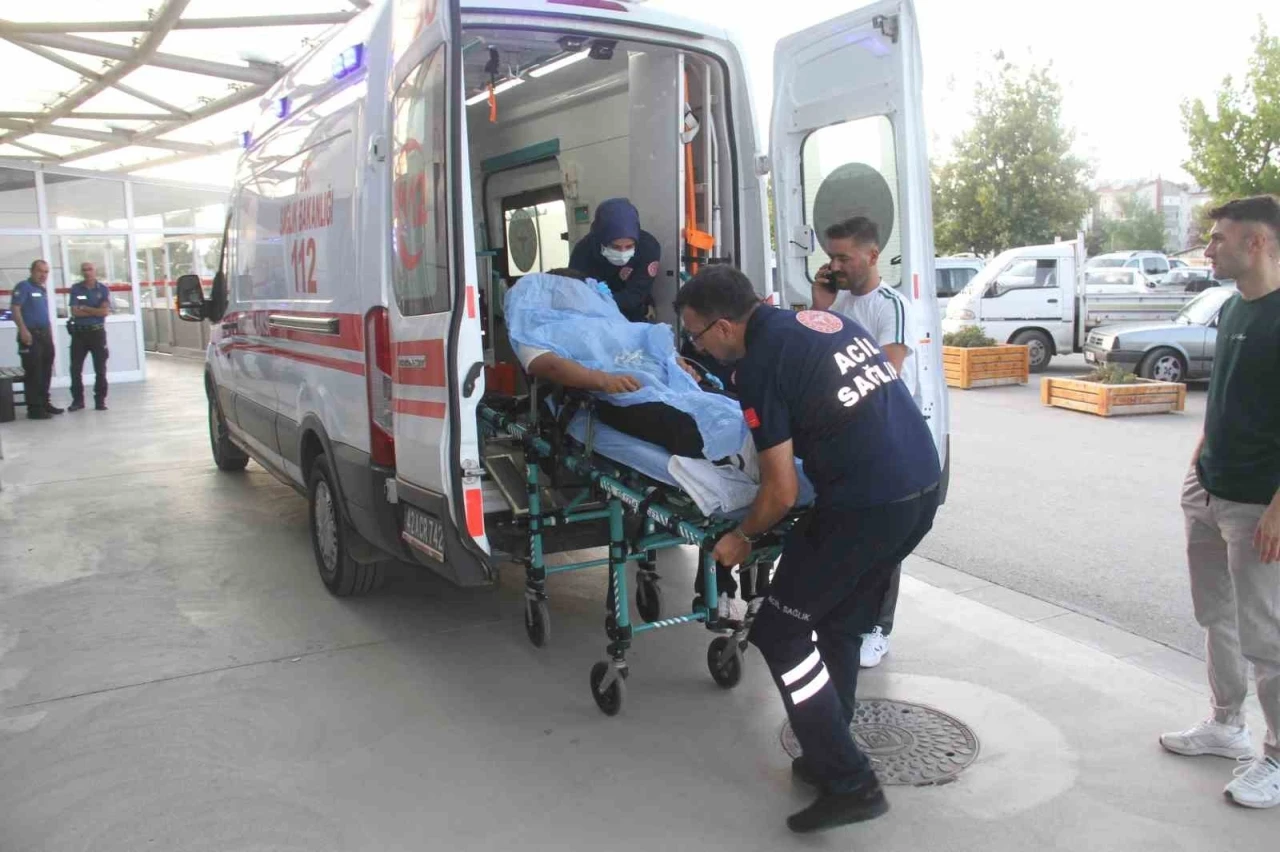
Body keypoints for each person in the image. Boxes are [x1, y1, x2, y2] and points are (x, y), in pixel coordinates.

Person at [676, 265, 940, 833]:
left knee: (779, 633)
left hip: (865, 507)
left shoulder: (759, 366)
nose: (698, 347)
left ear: (723, 328)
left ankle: (850, 781)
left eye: (695, 336)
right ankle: (828, 753)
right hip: (920, 490)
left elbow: (781, 492)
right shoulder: (818, 323)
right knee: (840, 623)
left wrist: (742, 537)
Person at [1160, 195, 1280, 809]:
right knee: (1217, 615)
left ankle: (1276, 757)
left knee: (1266, 636)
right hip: (1208, 489)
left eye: (1218, 239)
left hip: (1258, 505)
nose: (1208, 249)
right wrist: (1200, 457)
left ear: (1256, 243)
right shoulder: (1233, 306)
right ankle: (1227, 723)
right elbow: (1227, 396)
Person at [815, 216, 923, 669]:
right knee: (850, 532)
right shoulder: (837, 304)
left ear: (872, 255)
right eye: (831, 257)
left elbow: (884, 373)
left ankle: (878, 628)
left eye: (844, 257)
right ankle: (845, 616)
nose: (836, 265)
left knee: (885, 537)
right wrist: (820, 305)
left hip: (888, 437)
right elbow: (815, 358)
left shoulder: (890, 306)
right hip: (848, 435)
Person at [510, 268, 715, 459]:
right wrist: (603, 380)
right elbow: (546, 365)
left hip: (667, 384)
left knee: (724, 404)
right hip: (620, 396)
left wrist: (677, 364)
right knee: (688, 426)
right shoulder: (538, 331)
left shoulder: (613, 322)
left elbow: (654, 342)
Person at [569, 198, 662, 322]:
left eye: (629, 246)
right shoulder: (584, 250)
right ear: (601, 240)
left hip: (635, 309)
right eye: (615, 247)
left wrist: (605, 298)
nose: (622, 253)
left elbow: (635, 295)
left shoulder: (648, 247)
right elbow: (575, 290)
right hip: (594, 311)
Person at [9, 259, 61, 419]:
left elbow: (43, 313)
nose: (43, 275)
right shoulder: (24, 286)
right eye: (40, 271)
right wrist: (23, 330)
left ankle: (44, 402)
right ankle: (35, 408)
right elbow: (15, 308)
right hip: (30, 335)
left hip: (44, 335)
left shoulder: (41, 289)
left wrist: (50, 333)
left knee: (46, 370)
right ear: (32, 271)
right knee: (34, 372)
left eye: (46, 272)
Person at [67, 261, 112, 411]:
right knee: (75, 369)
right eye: (84, 270)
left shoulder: (103, 289)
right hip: (79, 334)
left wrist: (85, 307)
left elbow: (104, 312)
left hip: (97, 333)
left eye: (90, 269)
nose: (87, 272)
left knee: (100, 369)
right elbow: (75, 312)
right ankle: (77, 401)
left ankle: (100, 401)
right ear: (81, 272)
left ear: (95, 271)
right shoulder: (76, 288)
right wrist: (95, 310)